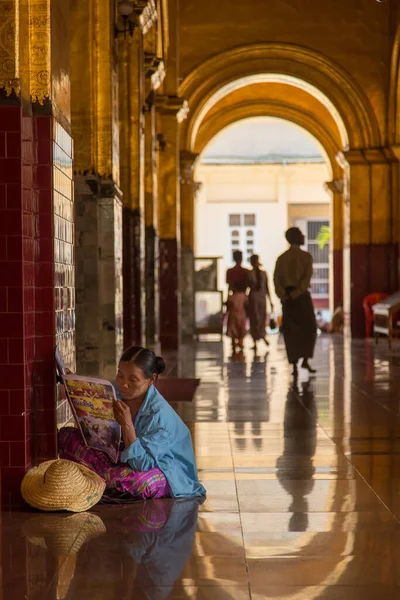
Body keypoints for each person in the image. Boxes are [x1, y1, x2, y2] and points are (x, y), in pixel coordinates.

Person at [58, 347, 206, 500]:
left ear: (151, 380)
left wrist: (127, 425)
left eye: (132, 379)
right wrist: (77, 391)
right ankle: (105, 479)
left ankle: (96, 478)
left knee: (140, 482)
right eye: (120, 376)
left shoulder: (159, 417)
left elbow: (141, 465)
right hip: (122, 460)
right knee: (66, 435)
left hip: (161, 470)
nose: (124, 384)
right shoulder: (117, 393)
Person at [273, 227, 317, 376]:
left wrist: (283, 296)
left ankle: (294, 364)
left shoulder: (281, 258)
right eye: (301, 235)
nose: (304, 236)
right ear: (297, 238)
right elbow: (306, 278)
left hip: (287, 299)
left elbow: (276, 280)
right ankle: (305, 359)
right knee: (309, 328)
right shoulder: (306, 257)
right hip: (302, 298)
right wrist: (296, 293)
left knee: (291, 331)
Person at [247, 254, 274, 351]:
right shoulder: (250, 274)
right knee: (255, 319)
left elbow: (267, 287)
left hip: (260, 298)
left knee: (261, 318)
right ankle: (257, 339)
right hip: (254, 298)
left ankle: (262, 336)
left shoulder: (263, 273)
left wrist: (270, 301)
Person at [226, 280, 248, 353]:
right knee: (241, 329)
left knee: (233, 329)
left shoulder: (232, 296)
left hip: (233, 314)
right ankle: (240, 343)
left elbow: (228, 305)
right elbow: (247, 305)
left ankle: (234, 344)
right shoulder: (244, 296)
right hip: (242, 314)